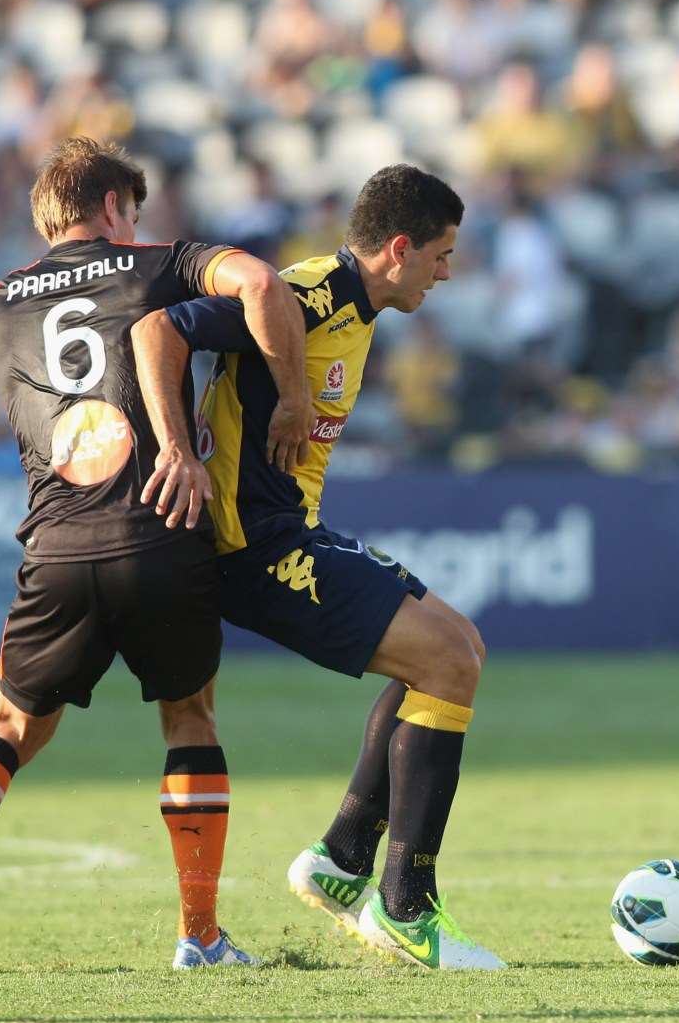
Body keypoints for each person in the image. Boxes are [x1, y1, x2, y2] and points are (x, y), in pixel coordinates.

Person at [0, 137, 308, 975]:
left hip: (58, 545)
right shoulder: (159, 264)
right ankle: (199, 936)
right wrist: (292, 397)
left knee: (8, 727)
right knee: (189, 718)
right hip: (163, 526)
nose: (137, 224)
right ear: (112, 207)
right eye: (132, 212)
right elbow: (260, 282)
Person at [131, 164, 506, 971]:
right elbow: (158, 331)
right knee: (446, 660)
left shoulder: (351, 304)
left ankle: (342, 858)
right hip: (250, 544)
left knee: (456, 649)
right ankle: (403, 906)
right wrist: (175, 451)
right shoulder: (307, 296)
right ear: (398, 249)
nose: (446, 273)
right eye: (440, 255)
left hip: (291, 528)